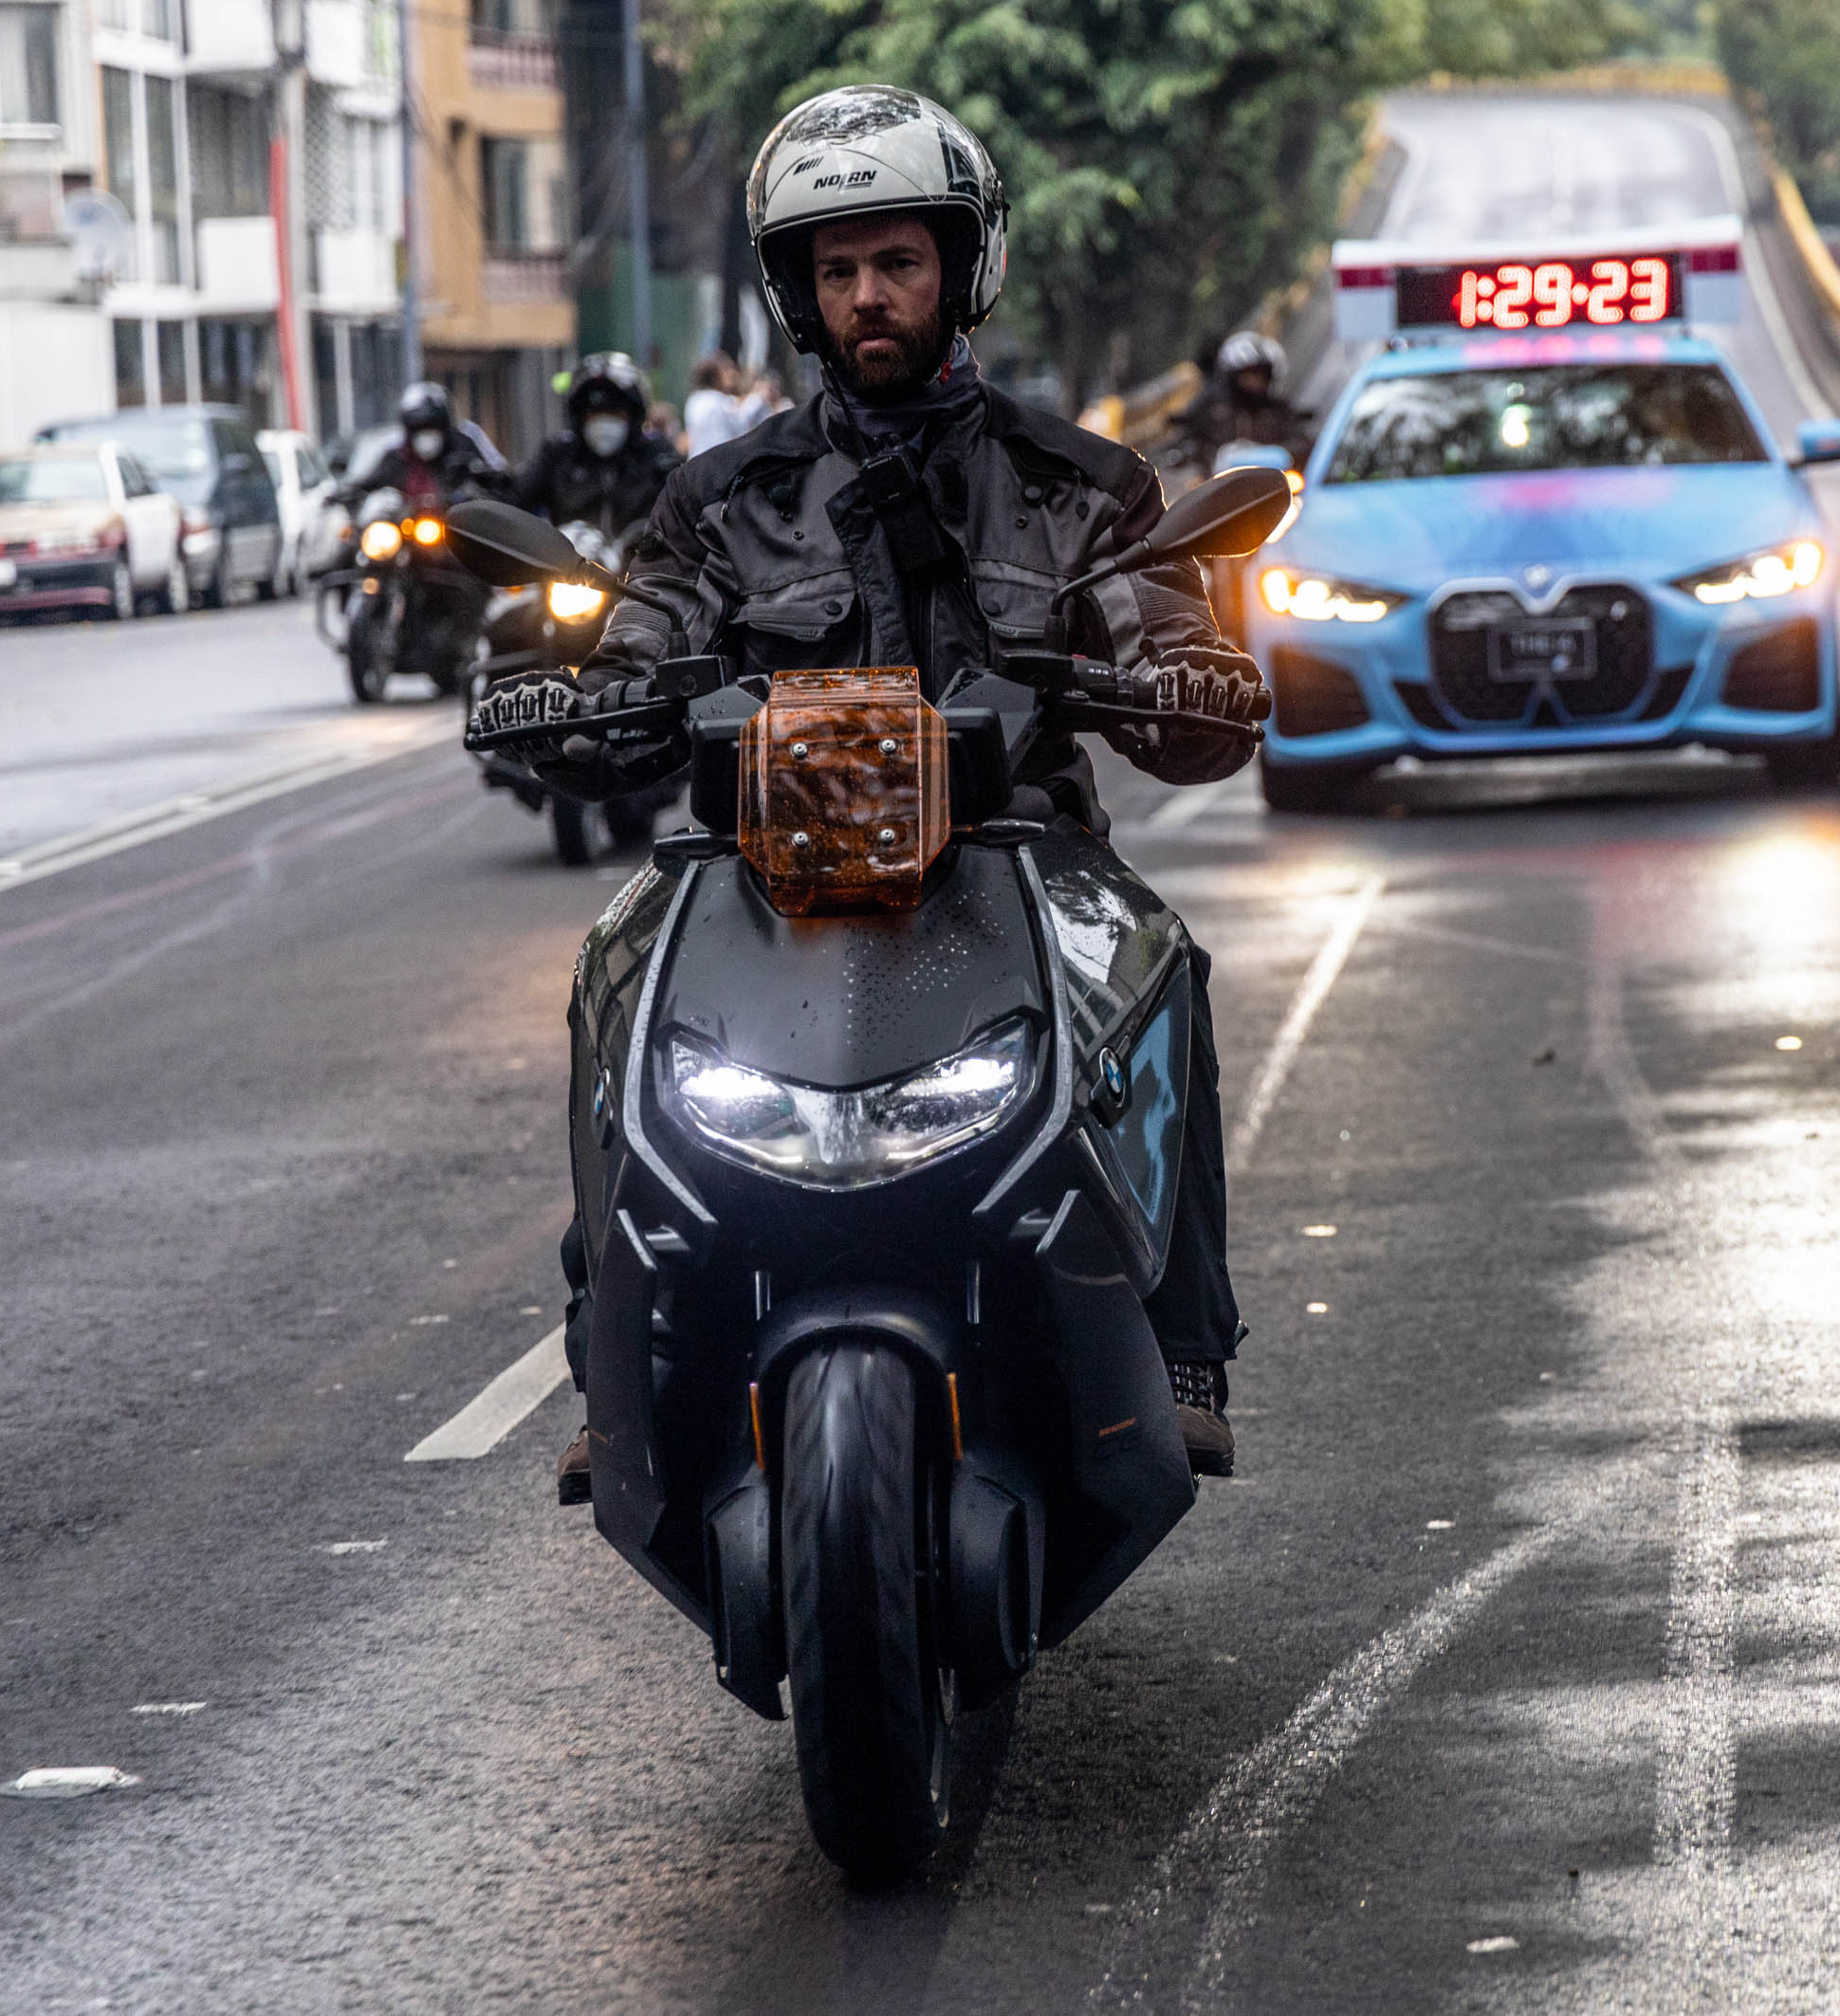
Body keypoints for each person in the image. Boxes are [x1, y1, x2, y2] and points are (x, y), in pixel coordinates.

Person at [503, 83, 1269, 1502]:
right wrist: (576, 701)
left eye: (898, 262)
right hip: (763, 879)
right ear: (798, 290)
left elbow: (1168, 634)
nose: (869, 294)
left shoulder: (1082, 482)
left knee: (1163, 964)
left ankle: (1180, 1345)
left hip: (1027, 863)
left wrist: (1196, 675)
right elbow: (643, 641)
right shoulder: (715, 501)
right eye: (838, 268)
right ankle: (608, 1365)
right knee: (612, 968)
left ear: (961, 270)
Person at [505, 352, 680, 539]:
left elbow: (685, 511)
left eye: (615, 412)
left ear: (633, 416)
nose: (603, 422)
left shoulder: (658, 456)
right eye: (594, 414)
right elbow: (515, 499)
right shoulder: (558, 454)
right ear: (579, 417)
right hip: (567, 562)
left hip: (641, 563)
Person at [345, 379, 507, 506]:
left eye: (433, 427)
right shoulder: (398, 457)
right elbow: (372, 481)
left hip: (458, 532)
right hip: (406, 534)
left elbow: (493, 475)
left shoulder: (463, 448)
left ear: (445, 426)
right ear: (409, 430)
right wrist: (351, 492)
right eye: (419, 428)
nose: (427, 436)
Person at [1173, 329, 1311, 472]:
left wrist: (1282, 452)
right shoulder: (1211, 408)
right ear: (1233, 376)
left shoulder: (1280, 409)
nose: (1255, 381)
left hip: (1274, 482)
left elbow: (1303, 440)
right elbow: (1188, 438)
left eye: (1261, 375)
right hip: (1221, 484)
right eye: (1248, 375)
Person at [684, 354, 750, 454]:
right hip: (720, 460)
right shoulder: (720, 400)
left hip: (697, 459)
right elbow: (742, 425)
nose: (732, 374)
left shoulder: (694, 399)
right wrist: (758, 399)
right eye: (725, 370)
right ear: (714, 376)